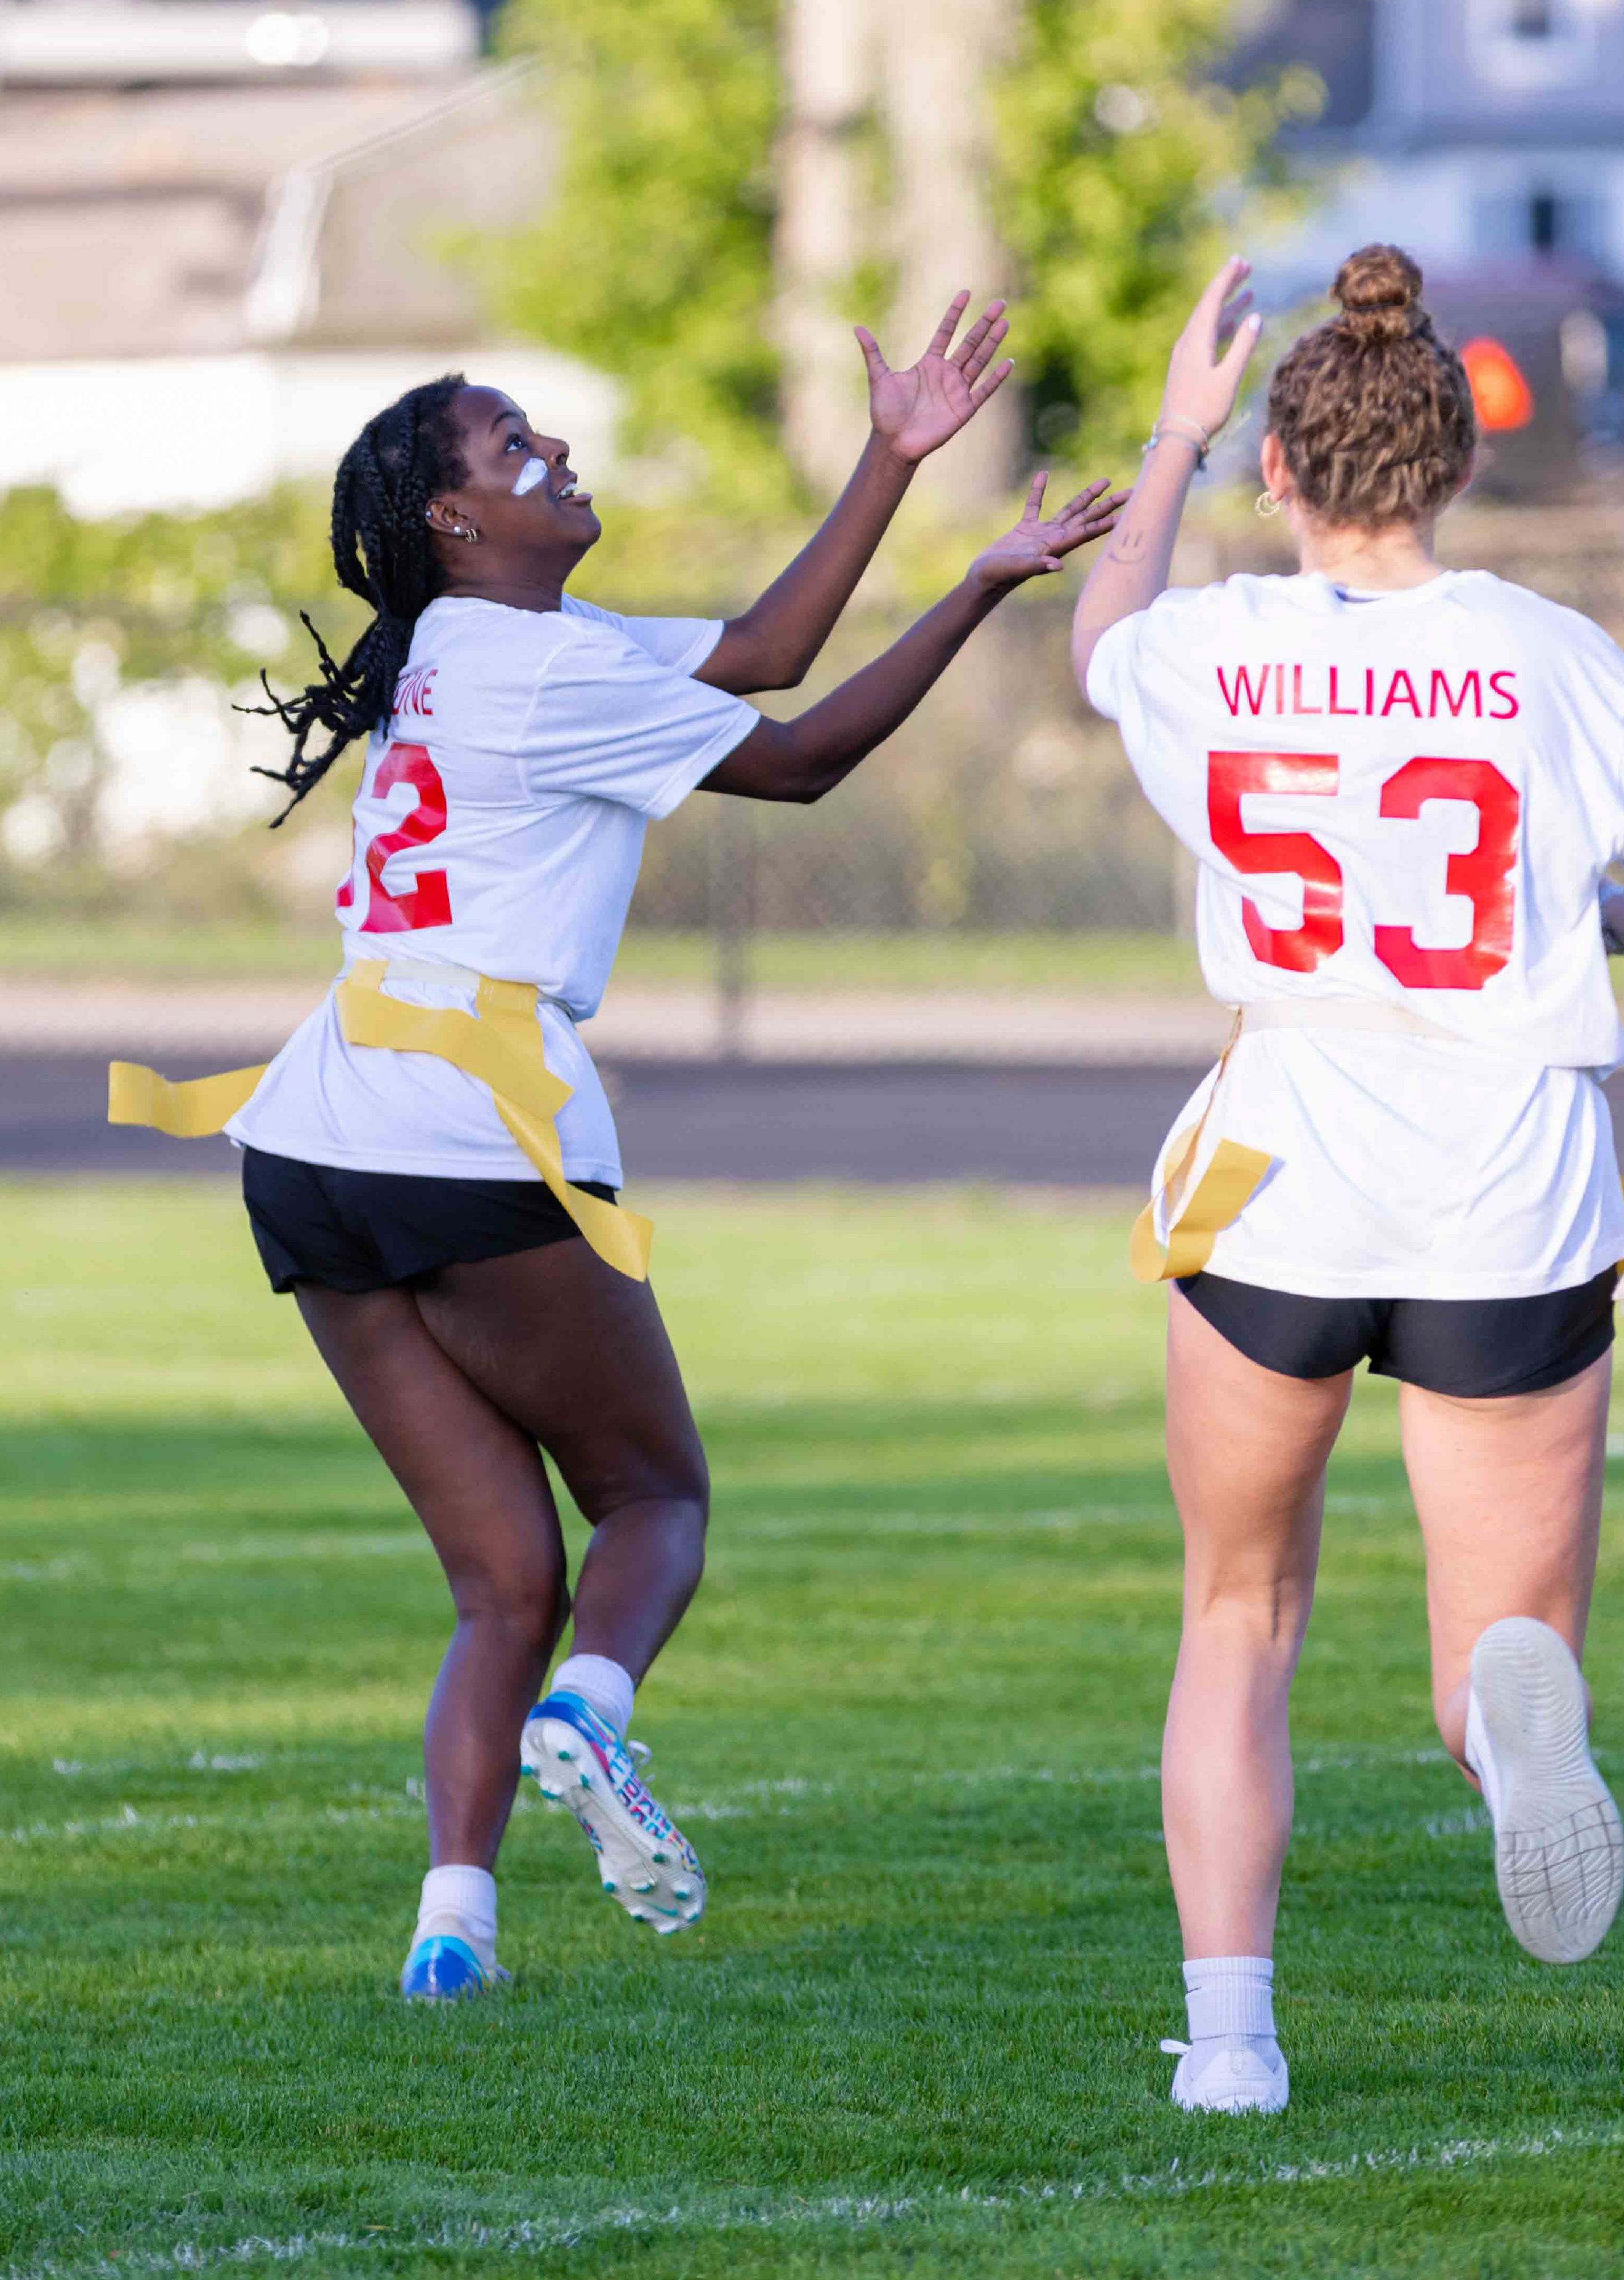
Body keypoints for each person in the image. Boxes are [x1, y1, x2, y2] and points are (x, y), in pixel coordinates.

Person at [112, 294, 1122, 2001]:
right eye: (513, 444)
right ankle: (589, 1720)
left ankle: (452, 1931)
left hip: (314, 1127)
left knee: (502, 1580)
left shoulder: (469, 644)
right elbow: (798, 759)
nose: (555, 449)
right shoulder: (544, 667)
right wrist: (972, 589)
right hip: (467, 1122)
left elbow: (765, 648)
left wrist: (900, 471)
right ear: (453, 517)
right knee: (654, 1503)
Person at [1069, 245, 1624, 2115]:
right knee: (1500, 1646)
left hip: (1282, 1165)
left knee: (1237, 1617)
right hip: (1506, 1174)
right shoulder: (1553, 651)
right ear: (1456, 464)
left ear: (1281, 472)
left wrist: (1170, 435)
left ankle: (1233, 2044)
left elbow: (1097, 635)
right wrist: (1600, 914)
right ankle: (1498, 1728)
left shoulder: (1218, 638)